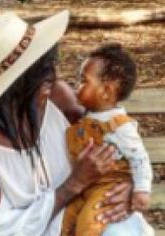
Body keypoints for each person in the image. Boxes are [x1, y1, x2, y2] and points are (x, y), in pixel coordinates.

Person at [0, 11, 134, 236]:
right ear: (11, 86)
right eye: (38, 70)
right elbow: (2, 230)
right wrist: (73, 185)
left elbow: (114, 141)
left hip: (81, 223)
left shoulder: (57, 97)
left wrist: (126, 187)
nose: (51, 75)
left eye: (47, 64)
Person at [64, 43, 154, 236]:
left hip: (107, 189)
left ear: (106, 91)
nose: (76, 86)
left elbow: (139, 158)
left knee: (89, 225)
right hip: (86, 189)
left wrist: (141, 190)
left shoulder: (120, 126)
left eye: (83, 81)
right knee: (65, 220)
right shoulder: (89, 119)